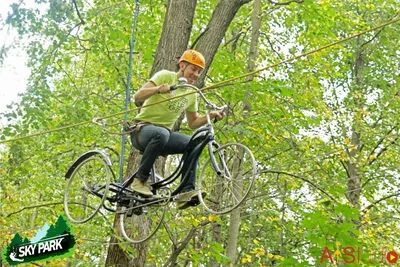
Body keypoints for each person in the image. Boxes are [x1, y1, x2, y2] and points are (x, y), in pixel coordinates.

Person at [130, 49, 224, 209]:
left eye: (199, 72)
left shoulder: (191, 93)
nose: (196, 74)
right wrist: (158, 89)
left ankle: (185, 192)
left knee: (194, 143)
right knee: (162, 134)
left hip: (163, 135)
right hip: (141, 130)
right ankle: (139, 180)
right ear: (182, 65)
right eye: (193, 69)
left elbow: (193, 122)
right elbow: (137, 97)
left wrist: (210, 115)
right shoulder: (165, 76)